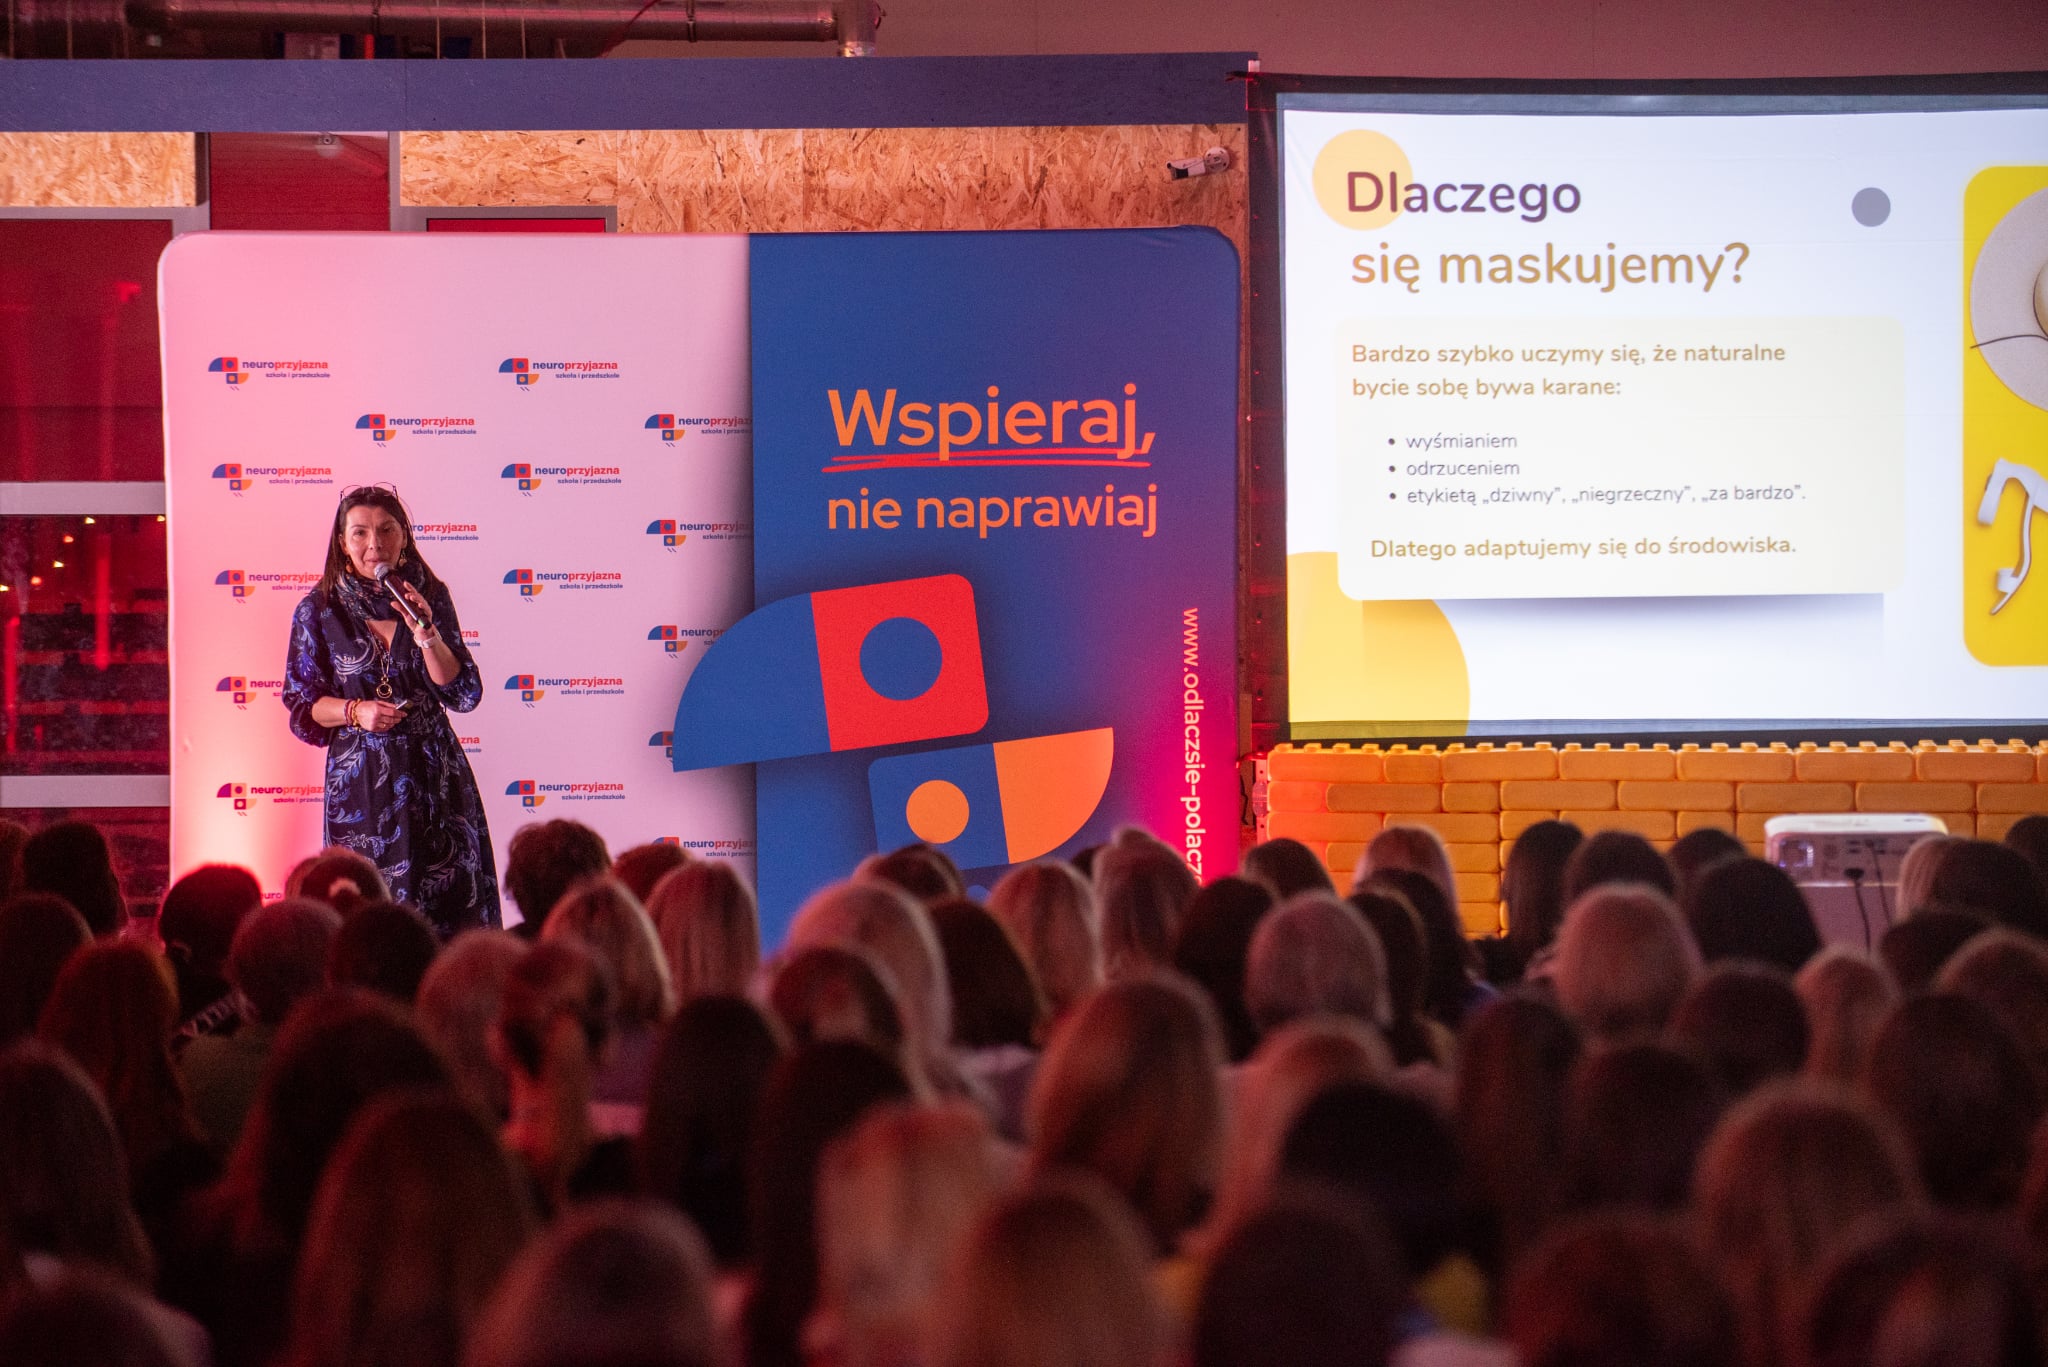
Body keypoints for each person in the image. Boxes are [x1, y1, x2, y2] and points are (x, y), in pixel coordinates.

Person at [282, 486, 499, 938]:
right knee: (367, 915)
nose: (374, 544)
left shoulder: (429, 596)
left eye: (386, 530)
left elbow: (462, 692)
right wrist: (355, 711)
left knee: (445, 915)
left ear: (404, 537)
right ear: (343, 543)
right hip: (363, 785)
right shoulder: (318, 610)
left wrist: (426, 632)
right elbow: (303, 704)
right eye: (360, 533)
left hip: (435, 775)